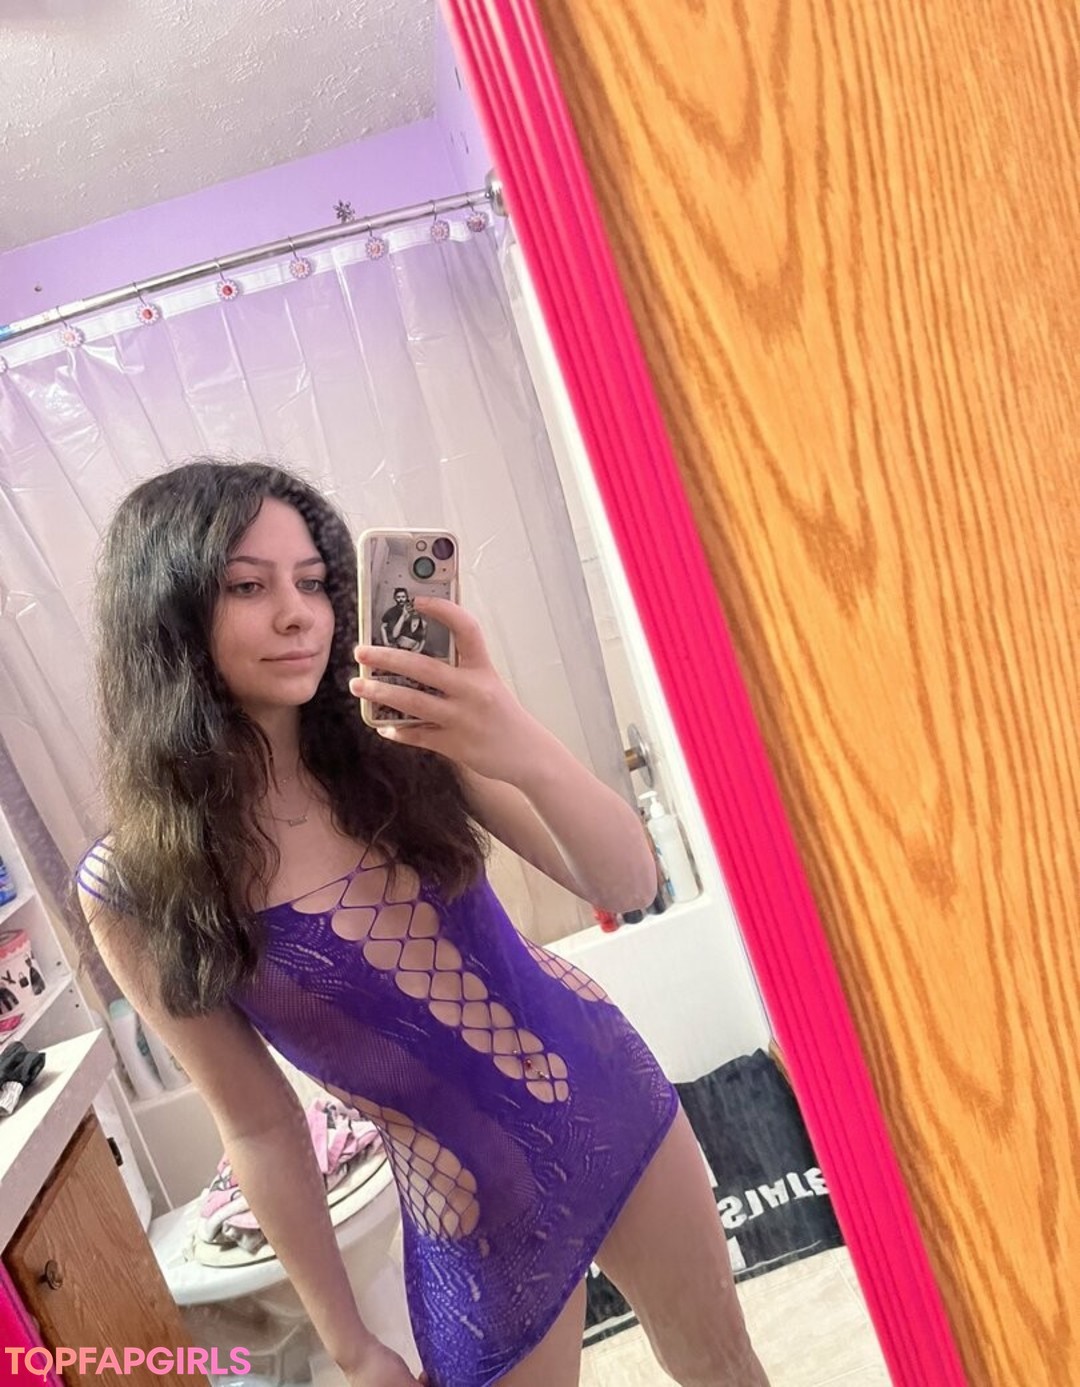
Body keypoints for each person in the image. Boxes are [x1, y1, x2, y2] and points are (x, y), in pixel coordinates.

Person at [76, 460, 768, 1387]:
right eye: (248, 586)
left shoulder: (402, 733)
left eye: (313, 581)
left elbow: (627, 879)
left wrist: (513, 736)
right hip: (473, 1214)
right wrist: (352, 1344)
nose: (298, 614)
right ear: (166, 613)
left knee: (725, 1366)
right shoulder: (135, 884)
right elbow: (262, 1125)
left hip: (610, 1093)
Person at [380, 588, 427, 652]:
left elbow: (423, 629)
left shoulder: (413, 612)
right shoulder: (391, 612)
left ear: (407, 597)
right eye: (398, 597)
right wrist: (386, 643)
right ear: (394, 598)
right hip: (397, 646)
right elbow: (384, 627)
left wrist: (419, 649)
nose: (401, 599)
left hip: (412, 648)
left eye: (403, 597)